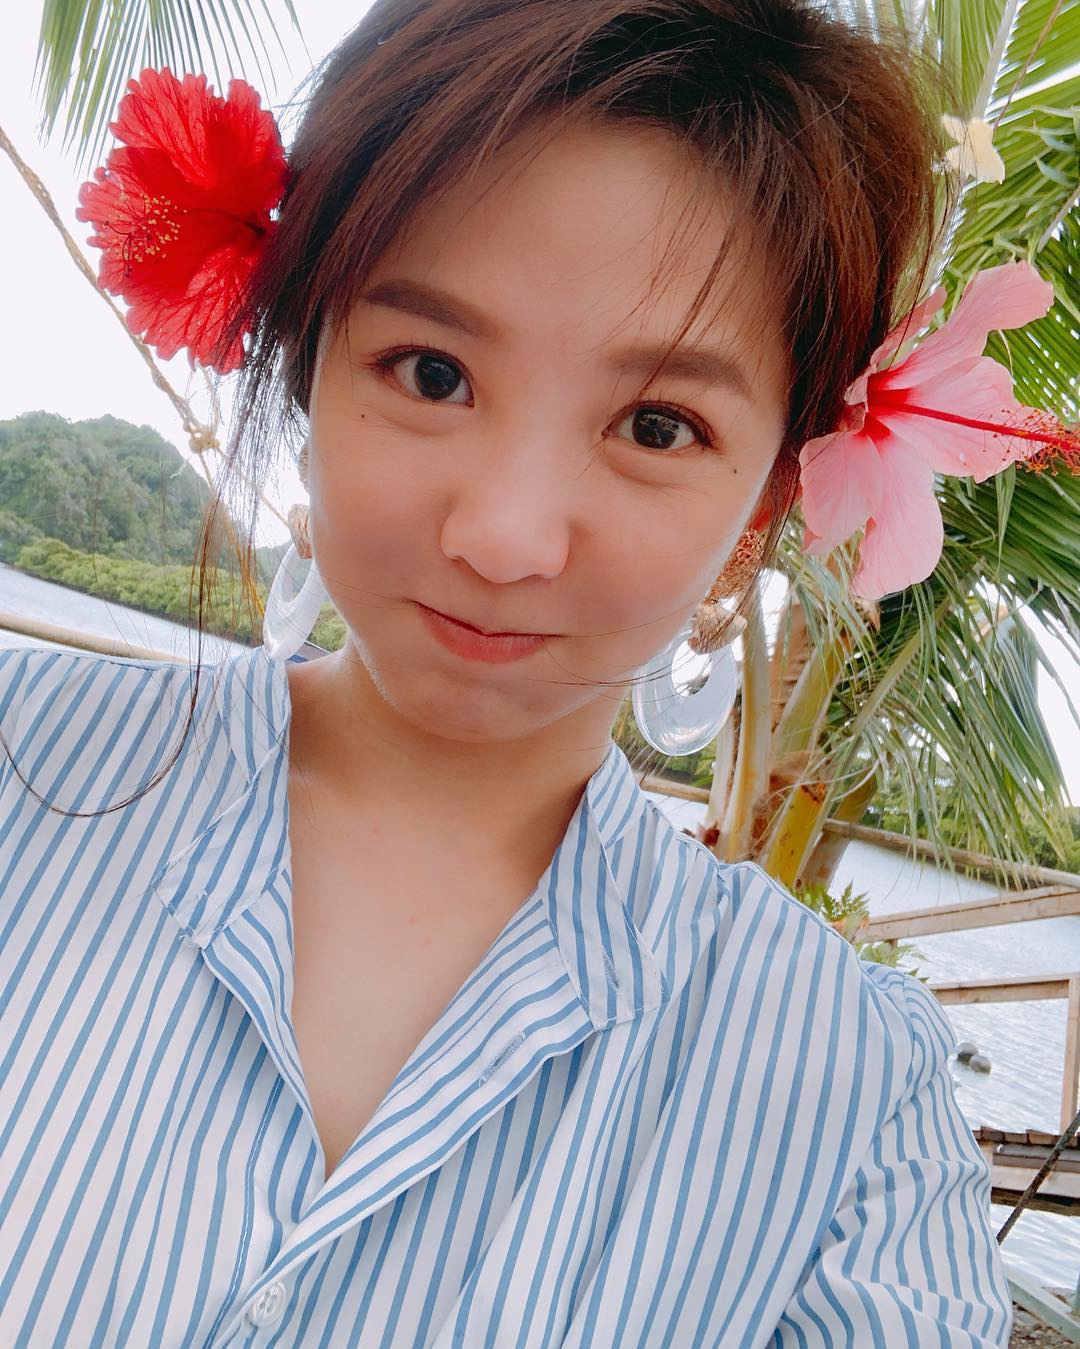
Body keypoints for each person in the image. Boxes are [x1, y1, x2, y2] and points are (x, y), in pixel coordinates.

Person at [0, 0, 1033, 1342]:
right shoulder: (18, 759)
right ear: (307, 361)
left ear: (768, 501)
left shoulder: (853, 1106)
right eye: (431, 372)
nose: (503, 536)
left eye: (657, 425)